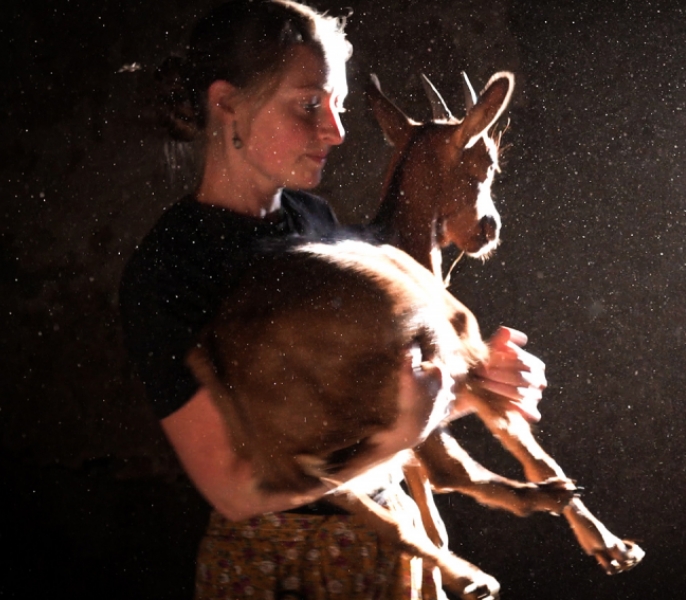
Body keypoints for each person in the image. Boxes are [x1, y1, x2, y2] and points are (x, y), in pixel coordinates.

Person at [119, 1, 547, 598]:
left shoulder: (316, 221)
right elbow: (236, 491)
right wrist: (398, 437)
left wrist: (478, 383)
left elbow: (358, 403)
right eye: (309, 105)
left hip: (387, 555)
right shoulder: (171, 269)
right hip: (277, 571)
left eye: (339, 106)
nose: (338, 131)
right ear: (226, 105)